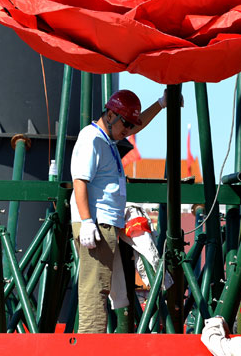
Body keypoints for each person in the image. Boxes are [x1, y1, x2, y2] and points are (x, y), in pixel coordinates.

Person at [70, 88, 171, 333]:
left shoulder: (106, 138)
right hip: (96, 223)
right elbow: (79, 181)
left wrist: (161, 103)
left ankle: (91, 342)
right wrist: (87, 221)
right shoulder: (92, 139)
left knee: (100, 286)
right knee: (95, 289)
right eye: (125, 123)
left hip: (102, 223)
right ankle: (90, 346)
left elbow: (135, 126)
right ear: (110, 115)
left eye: (130, 125)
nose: (128, 130)